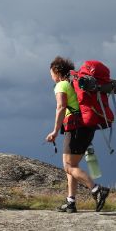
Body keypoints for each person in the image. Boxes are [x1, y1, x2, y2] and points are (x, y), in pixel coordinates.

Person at [45, 56, 110, 212]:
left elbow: (61, 107)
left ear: (56, 71)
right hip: (87, 127)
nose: (51, 77)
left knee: (68, 166)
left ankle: (96, 190)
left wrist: (54, 131)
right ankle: (71, 202)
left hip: (75, 128)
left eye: (51, 74)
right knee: (72, 166)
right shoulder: (73, 83)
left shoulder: (61, 85)